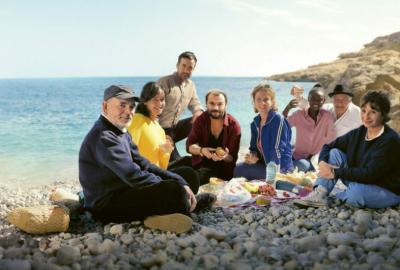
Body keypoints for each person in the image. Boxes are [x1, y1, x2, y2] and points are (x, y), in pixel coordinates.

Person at [79, 85, 215, 233]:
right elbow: (133, 175)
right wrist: (175, 186)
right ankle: (178, 208)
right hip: (106, 204)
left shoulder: (121, 131)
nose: (128, 112)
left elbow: (144, 164)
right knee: (174, 190)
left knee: (187, 176)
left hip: (125, 188)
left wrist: (180, 181)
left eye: (131, 107)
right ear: (105, 106)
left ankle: (168, 209)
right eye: (122, 105)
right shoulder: (104, 136)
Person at [294, 90, 400, 209]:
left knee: (356, 193)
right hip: (360, 180)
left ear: (383, 114)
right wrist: (322, 163)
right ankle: (320, 193)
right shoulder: (359, 132)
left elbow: (371, 173)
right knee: (334, 153)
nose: (366, 116)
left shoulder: (390, 140)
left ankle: (339, 197)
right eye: (364, 111)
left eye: (373, 112)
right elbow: (328, 146)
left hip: (384, 188)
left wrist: (334, 172)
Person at [234, 84, 294, 180]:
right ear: (254, 102)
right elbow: (253, 148)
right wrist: (252, 157)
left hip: (280, 169)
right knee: (233, 170)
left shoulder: (278, 119)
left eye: (266, 99)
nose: (262, 103)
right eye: (258, 99)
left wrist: (272, 177)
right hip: (263, 165)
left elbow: (277, 150)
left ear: (272, 102)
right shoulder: (254, 124)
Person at [186, 89, 241, 184]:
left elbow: (232, 158)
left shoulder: (234, 125)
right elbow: (189, 146)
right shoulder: (200, 120)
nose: (216, 107)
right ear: (206, 104)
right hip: (201, 165)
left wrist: (224, 156)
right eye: (212, 103)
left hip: (223, 171)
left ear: (226, 105)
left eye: (220, 104)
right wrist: (201, 150)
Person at [158, 51, 204, 161]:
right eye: (183, 65)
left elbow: (196, 104)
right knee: (178, 162)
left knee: (203, 119)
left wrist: (198, 112)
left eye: (190, 67)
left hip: (175, 128)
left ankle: (201, 154)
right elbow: (151, 109)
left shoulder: (190, 85)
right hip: (160, 130)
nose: (186, 70)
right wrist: (158, 134)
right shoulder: (164, 82)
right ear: (177, 65)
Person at [283, 84, 335, 172]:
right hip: (297, 156)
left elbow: (330, 141)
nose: (316, 102)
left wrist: (318, 156)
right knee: (299, 163)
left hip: (314, 160)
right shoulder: (299, 115)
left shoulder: (327, 117)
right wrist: (287, 109)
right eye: (313, 99)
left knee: (302, 165)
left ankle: (284, 169)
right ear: (308, 99)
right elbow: (282, 127)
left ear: (324, 101)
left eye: (319, 100)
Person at [128, 82, 174, 169]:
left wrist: (166, 152)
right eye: (155, 99)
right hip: (142, 177)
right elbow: (128, 155)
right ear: (145, 101)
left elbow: (163, 167)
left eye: (162, 99)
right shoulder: (137, 120)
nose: (160, 103)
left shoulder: (160, 130)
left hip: (156, 176)